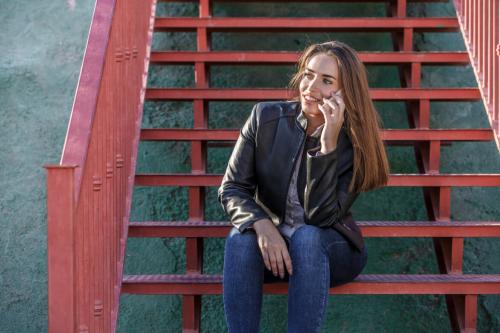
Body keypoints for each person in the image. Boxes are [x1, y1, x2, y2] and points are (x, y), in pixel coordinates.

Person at [217, 40, 390, 333]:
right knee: (239, 238)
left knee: (308, 237)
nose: (310, 87)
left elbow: (321, 218)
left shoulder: (356, 144)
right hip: (274, 249)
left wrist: (327, 147)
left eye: (326, 81)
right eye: (308, 74)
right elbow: (232, 188)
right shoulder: (265, 118)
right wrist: (262, 224)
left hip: (328, 251)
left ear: (346, 92)